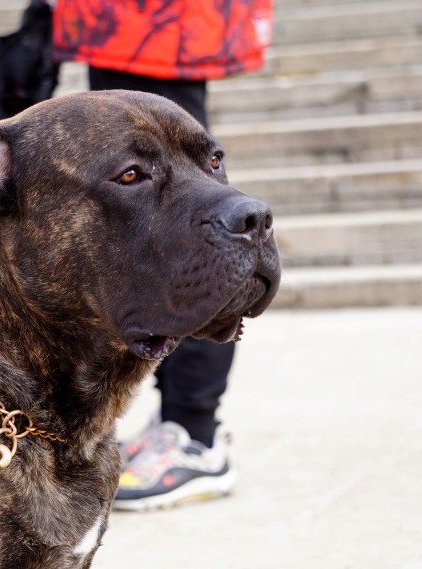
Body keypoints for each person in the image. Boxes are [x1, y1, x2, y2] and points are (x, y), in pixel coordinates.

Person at [52, 0, 273, 511]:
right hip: (118, 24)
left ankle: (195, 437)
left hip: (157, 23)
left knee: (198, 234)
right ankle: (179, 421)